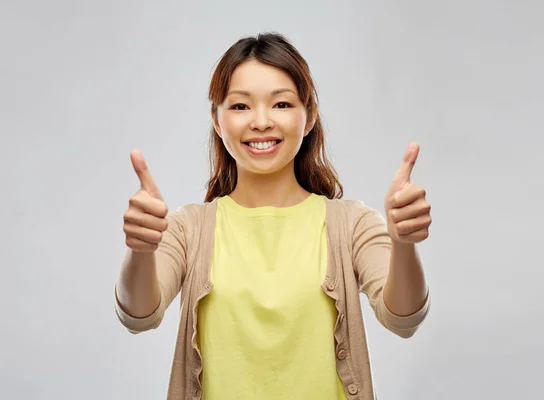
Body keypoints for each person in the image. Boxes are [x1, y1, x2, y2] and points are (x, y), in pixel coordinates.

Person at [114, 32, 432, 400]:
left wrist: (404, 243)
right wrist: (140, 249)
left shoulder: (351, 224)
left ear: (309, 116)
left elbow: (404, 318)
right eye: (240, 106)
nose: (261, 121)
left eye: (281, 104)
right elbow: (138, 316)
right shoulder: (188, 228)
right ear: (217, 121)